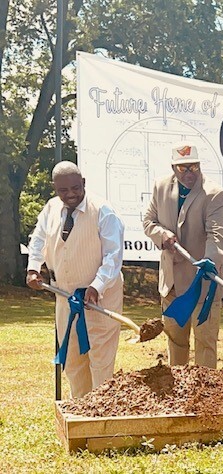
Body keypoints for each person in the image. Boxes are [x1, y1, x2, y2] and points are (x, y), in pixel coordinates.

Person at [26, 161, 124, 398]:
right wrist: (33, 268)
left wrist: (96, 286)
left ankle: (101, 419)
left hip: (100, 301)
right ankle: (80, 415)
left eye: (75, 188)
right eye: (63, 190)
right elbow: (38, 240)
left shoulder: (103, 210)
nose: (70, 194)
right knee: (72, 361)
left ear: (84, 184)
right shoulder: (50, 209)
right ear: (54, 188)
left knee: (100, 362)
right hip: (65, 299)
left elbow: (114, 255)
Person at [143, 144, 223, 368]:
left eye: (194, 167)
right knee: (176, 343)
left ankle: (205, 396)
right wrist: (163, 235)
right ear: (173, 168)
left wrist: (210, 261)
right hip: (172, 284)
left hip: (203, 283)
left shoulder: (215, 194)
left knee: (205, 343)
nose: (190, 174)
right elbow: (148, 222)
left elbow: (217, 235)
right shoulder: (161, 187)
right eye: (183, 169)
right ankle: (180, 396)